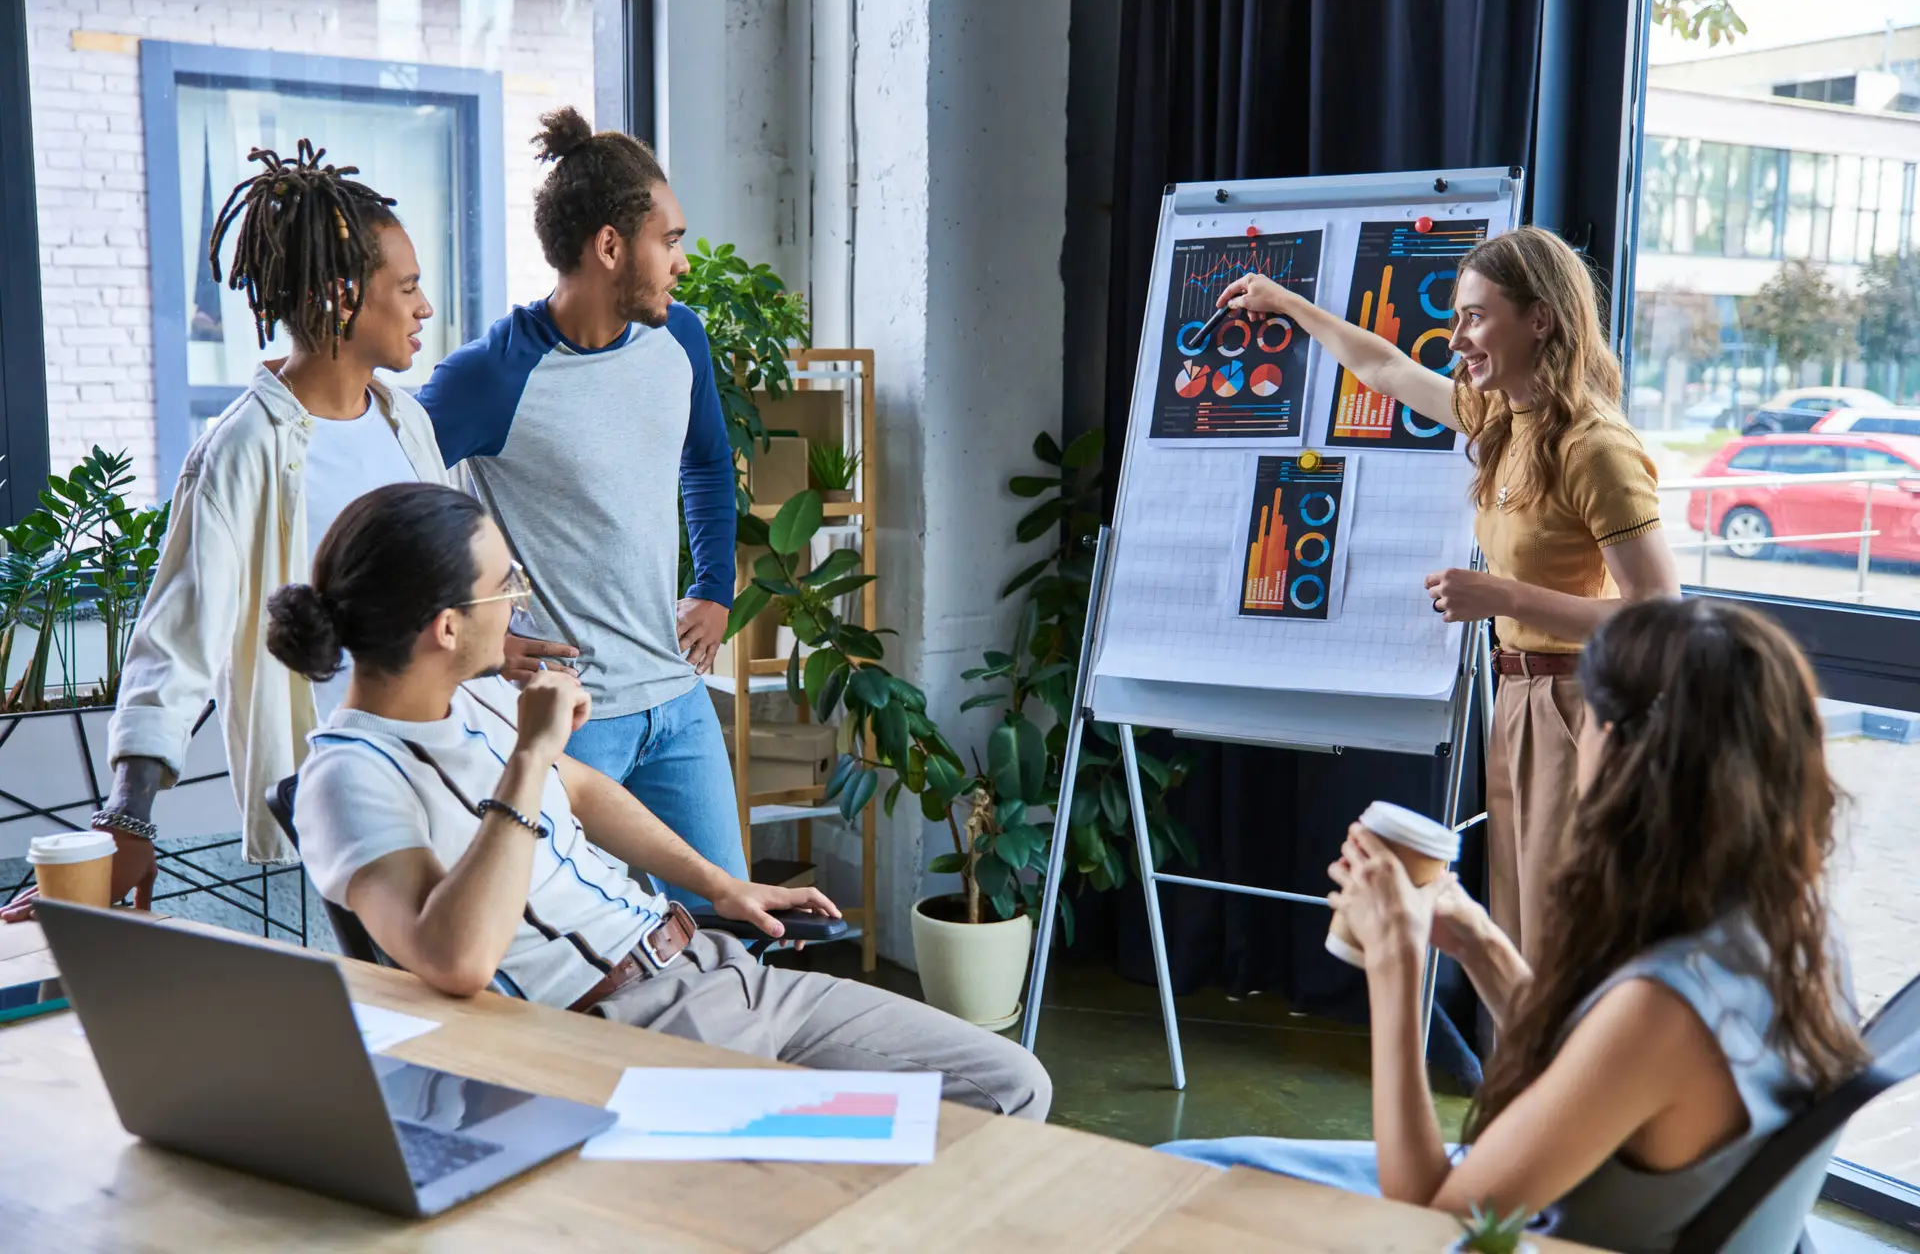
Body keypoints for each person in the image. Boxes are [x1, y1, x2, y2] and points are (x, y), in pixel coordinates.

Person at [265, 482, 1050, 1120]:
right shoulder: (347, 780)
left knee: (1011, 1086)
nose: (518, 600)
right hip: (618, 1035)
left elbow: (585, 788)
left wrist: (722, 886)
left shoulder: (476, 699)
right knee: (870, 1162)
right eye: (505, 586)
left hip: (713, 968)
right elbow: (455, 958)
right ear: (445, 626)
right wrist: (534, 753)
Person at [1161, 599, 1865, 1251]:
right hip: (1596, 1214)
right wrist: (1477, 939)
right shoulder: (1799, 933)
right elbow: (1596, 1074)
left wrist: (1397, 967)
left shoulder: (1663, 1010)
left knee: (1174, 1179)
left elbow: (1427, 1217)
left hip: (1503, 1230)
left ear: (1615, 745)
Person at [3, 142, 447, 922]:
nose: (424, 307)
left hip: (441, 779)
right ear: (344, 296)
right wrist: (129, 815)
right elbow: (176, 639)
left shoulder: (405, 423)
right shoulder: (246, 447)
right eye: (406, 287)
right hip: (333, 808)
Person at [1217, 227, 1680, 958]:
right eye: (1458, 314)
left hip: (1585, 703)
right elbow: (1385, 368)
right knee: (1523, 926)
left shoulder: (1596, 446)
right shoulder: (1504, 415)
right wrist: (1286, 304)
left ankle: (1565, 1073)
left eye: (1475, 315)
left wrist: (1505, 598)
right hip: (1521, 698)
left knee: (1564, 935)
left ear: (1540, 319)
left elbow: (1659, 616)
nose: (1457, 335)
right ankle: (1523, 1073)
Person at [416, 107, 744, 905]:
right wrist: (484, 645)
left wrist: (714, 584)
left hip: (676, 700)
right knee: (556, 956)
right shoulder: (493, 377)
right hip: (568, 721)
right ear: (609, 246)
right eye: (668, 241)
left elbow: (705, 460)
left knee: (736, 936)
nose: (681, 262)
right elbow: (394, 513)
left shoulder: (682, 342)